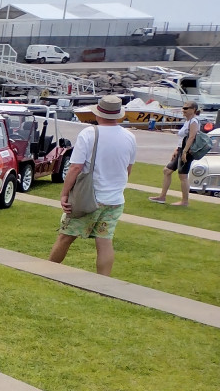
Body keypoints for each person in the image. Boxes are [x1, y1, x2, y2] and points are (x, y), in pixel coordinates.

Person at [52, 95, 137, 276]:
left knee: (66, 236)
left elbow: (75, 167)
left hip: (89, 197)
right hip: (115, 200)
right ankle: (103, 282)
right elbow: (127, 169)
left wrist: (64, 193)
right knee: (104, 240)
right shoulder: (130, 137)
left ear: (98, 114)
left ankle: (47, 271)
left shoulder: (89, 134)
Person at [152, 102, 202, 207]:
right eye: (183, 108)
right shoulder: (187, 121)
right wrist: (177, 149)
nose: (183, 110)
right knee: (167, 171)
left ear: (193, 109)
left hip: (186, 152)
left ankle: (185, 201)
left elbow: (191, 137)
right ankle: (162, 197)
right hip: (181, 150)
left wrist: (184, 152)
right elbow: (183, 138)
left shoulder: (193, 121)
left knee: (183, 176)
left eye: (186, 108)